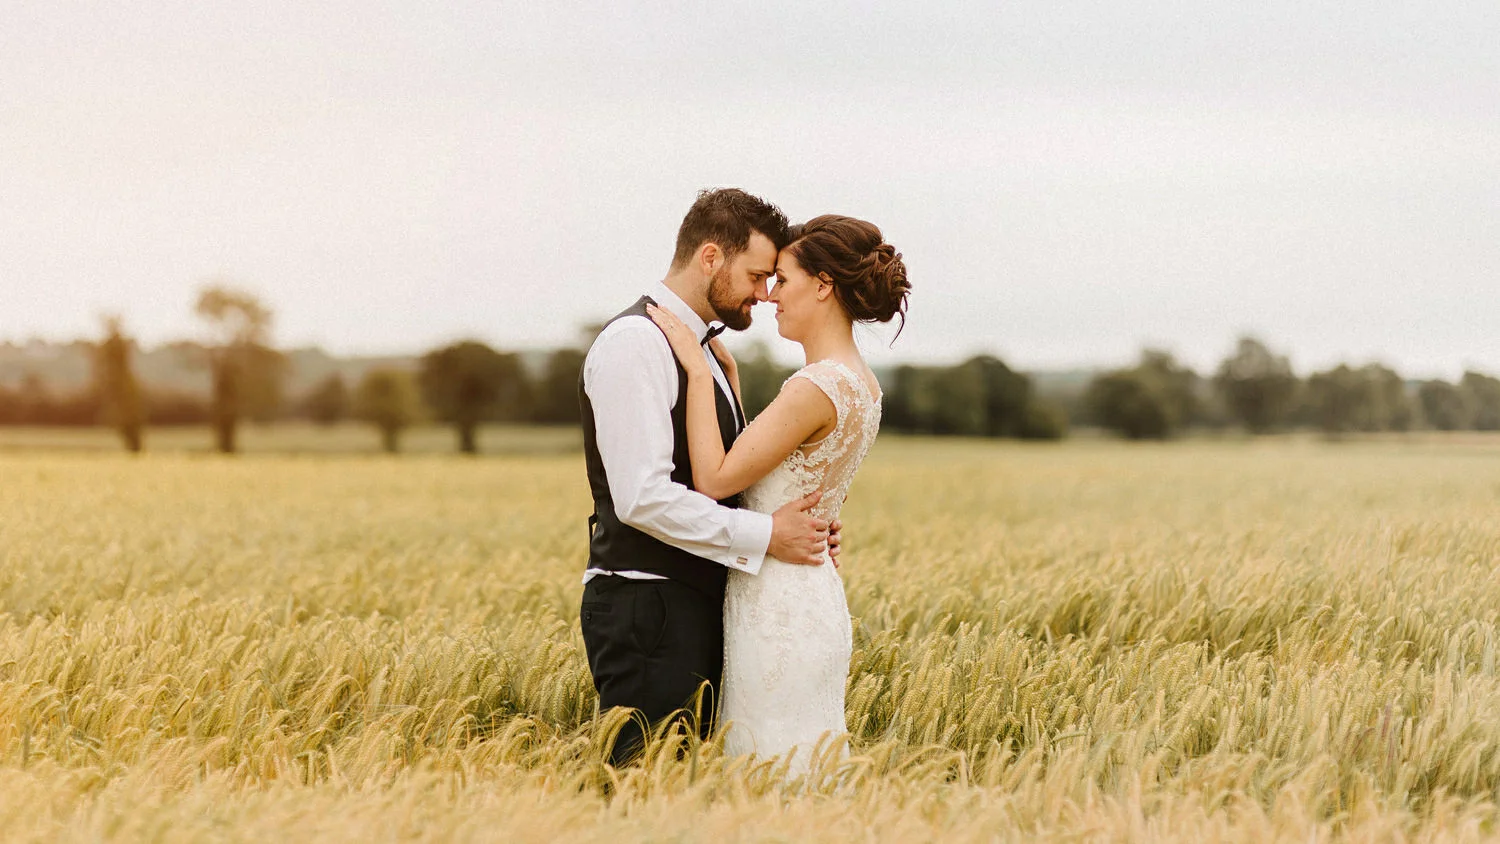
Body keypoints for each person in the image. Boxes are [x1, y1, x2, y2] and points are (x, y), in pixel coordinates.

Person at [578, 188, 841, 765]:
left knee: (684, 796)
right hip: (647, 608)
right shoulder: (635, 344)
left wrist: (795, 527)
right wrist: (766, 535)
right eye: (756, 275)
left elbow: (719, 475)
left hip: (692, 606)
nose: (764, 294)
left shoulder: (711, 356)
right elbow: (642, 498)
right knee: (640, 793)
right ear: (711, 257)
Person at [647, 213, 909, 773]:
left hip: (777, 606)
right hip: (808, 590)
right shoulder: (860, 380)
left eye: (783, 280)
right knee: (796, 770)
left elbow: (717, 479)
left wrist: (696, 372)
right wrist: (733, 388)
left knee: (769, 770)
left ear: (823, 285)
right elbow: (791, 473)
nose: (770, 297)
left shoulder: (815, 386)